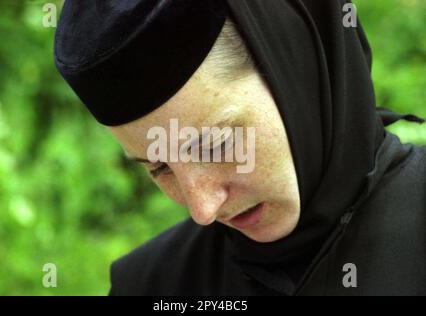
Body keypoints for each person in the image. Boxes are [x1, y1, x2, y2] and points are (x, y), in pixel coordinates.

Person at [54, 0, 426, 295]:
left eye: (215, 145)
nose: (203, 209)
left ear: (299, 74)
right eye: (160, 168)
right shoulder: (153, 286)